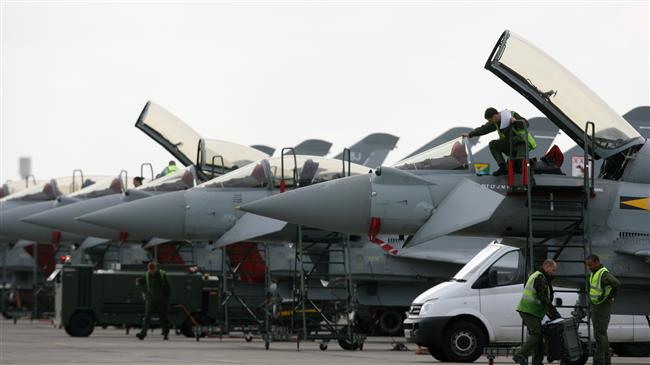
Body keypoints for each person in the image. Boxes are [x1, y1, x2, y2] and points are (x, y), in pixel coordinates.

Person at [513, 259, 562, 365]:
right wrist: (554, 313)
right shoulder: (540, 278)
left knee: (539, 338)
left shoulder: (540, 276)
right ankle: (520, 354)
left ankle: (537, 362)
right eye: (553, 270)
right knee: (536, 333)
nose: (553, 272)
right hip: (528, 310)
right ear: (547, 267)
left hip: (534, 311)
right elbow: (543, 298)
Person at [463, 108, 537, 176]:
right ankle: (503, 167)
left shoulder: (512, 115)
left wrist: (515, 121)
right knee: (493, 144)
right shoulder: (496, 122)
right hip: (511, 144)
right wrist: (470, 134)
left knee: (518, 164)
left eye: (490, 119)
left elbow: (526, 124)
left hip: (522, 143)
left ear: (496, 115)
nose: (490, 122)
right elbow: (484, 129)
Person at [585, 254, 620, 365]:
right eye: (587, 265)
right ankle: (606, 361)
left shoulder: (603, 274)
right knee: (602, 335)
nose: (589, 267)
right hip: (597, 307)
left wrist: (609, 297)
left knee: (599, 336)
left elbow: (616, 283)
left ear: (596, 262)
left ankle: (599, 362)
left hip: (601, 308)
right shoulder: (594, 273)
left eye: (590, 265)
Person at [135, 261, 171, 340]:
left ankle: (166, 333)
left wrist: (165, 298)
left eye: (153, 270)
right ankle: (142, 334)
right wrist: (138, 281)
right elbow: (140, 281)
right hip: (151, 299)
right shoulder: (146, 275)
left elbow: (168, 288)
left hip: (161, 300)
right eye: (150, 270)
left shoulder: (162, 274)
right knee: (147, 317)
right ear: (148, 269)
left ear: (155, 268)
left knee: (163, 317)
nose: (151, 272)